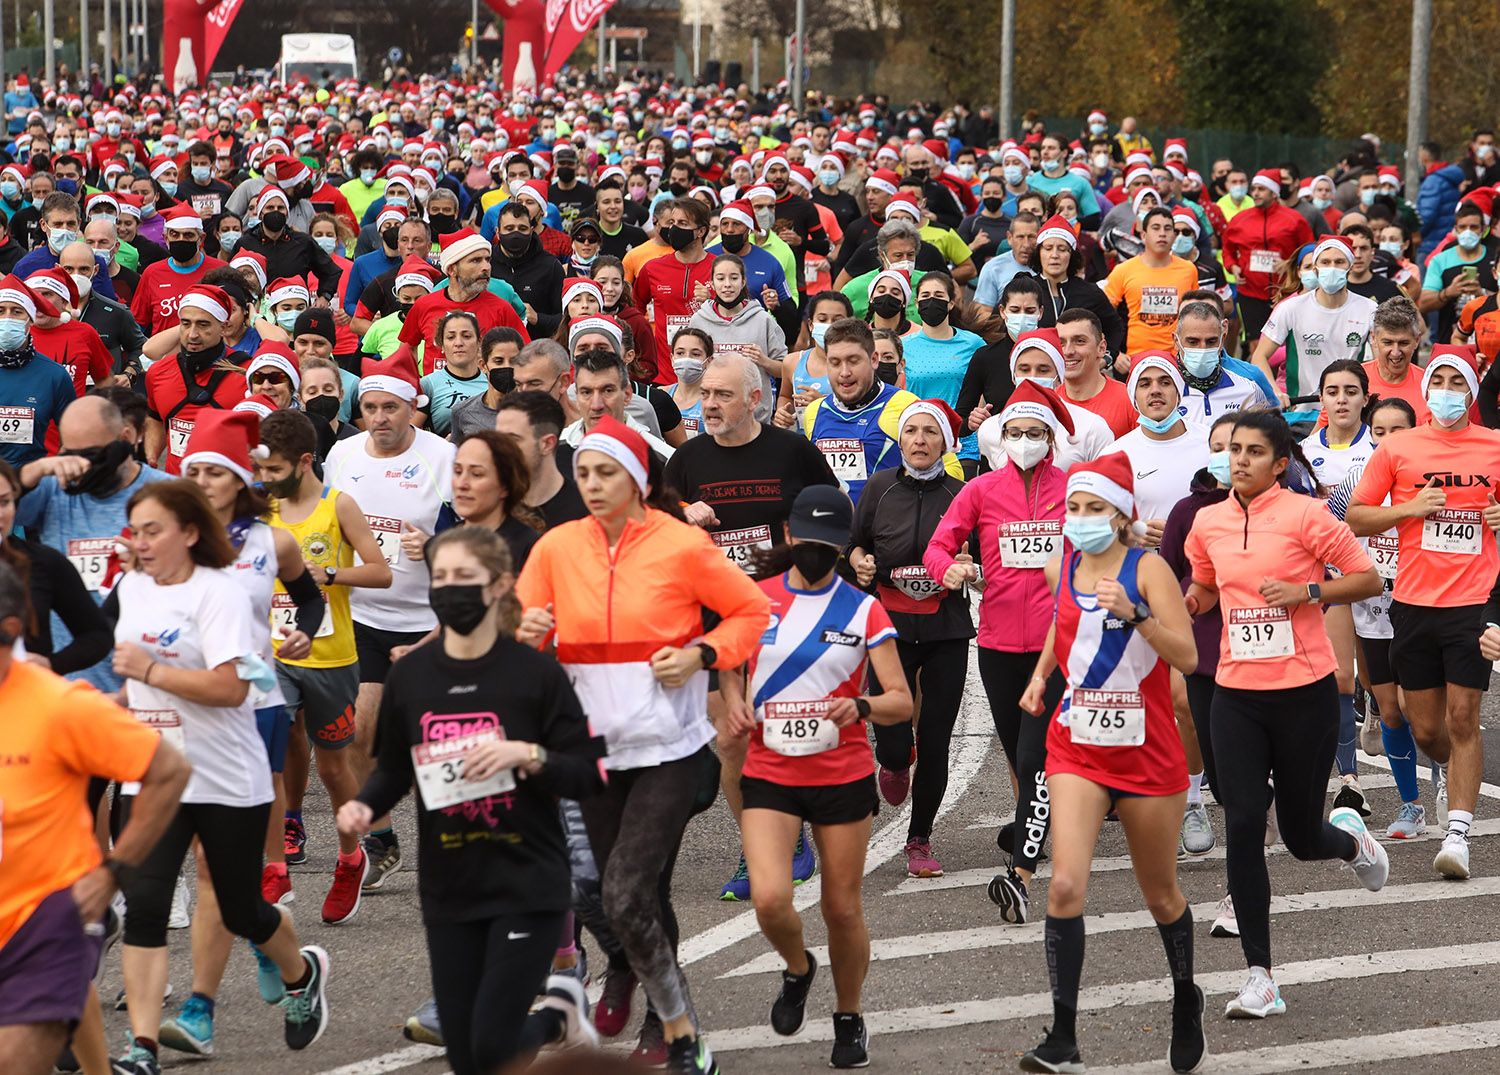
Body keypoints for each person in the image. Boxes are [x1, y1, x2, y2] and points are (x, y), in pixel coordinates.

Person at [515, 414, 768, 1073]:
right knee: (620, 895)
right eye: (584, 473)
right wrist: (529, 630)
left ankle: (681, 1031)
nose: (592, 484)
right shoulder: (556, 547)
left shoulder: (680, 545)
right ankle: (642, 981)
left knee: (628, 891)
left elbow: (750, 611)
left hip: (668, 750)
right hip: (591, 752)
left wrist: (702, 654)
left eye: (606, 472)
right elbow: (520, 644)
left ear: (637, 479)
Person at [338, 527, 605, 1075]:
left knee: (492, 1043)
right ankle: (559, 1017)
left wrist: (526, 753)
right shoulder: (412, 675)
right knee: (466, 1057)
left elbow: (587, 772)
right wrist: (365, 807)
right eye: (441, 579)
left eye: (465, 578)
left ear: (500, 584)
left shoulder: (535, 675)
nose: (450, 589)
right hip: (450, 885)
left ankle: (555, 1016)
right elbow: (393, 768)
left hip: (527, 879)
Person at [109, 479, 332, 1072]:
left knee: (239, 910)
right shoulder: (129, 586)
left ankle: (301, 971)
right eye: (136, 531)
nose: (142, 542)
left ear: (188, 532)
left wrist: (151, 672)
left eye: (154, 530)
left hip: (225, 775)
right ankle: (143, 1046)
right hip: (152, 774)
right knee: (147, 904)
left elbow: (232, 688)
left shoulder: (221, 593)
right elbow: (105, 661)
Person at [1184, 409, 1386, 1018]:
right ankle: (1260, 976)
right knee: (1243, 820)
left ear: (1279, 463)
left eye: (1252, 452)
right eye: (1232, 450)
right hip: (1236, 694)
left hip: (1304, 694)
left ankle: (1351, 843)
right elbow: (1207, 587)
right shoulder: (1206, 521)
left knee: (1300, 838)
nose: (1238, 460)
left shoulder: (1306, 515)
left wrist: (1308, 593)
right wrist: (1183, 600)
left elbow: (1368, 579)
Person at [1015, 452, 1204, 1075]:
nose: (1081, 518)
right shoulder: (1058, 565)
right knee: (1065, 884)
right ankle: (1063, 1036)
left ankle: (1185, 1000)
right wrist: (1042, 676)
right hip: (1077, 745)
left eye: (1095, 508)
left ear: (1122, 515)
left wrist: (1138, 615)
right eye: (1073, 507)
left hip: (1147, 751)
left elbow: (1187, 657)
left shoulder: (1148, 570)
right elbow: (1062, 629)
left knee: (1161, 895)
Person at [719, 486, 911, 1069]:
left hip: (842, 771)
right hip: (770, 770)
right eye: (807, 541)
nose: (815, 552)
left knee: (841, 908)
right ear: (788, 536)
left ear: (843, 548)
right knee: (771, 898)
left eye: (829, 546)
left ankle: (849, 1017)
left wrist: (864, 708)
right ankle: (799, 968)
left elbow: (901, 700)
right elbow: (729, 665)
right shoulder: (754, 599)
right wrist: (733, 703)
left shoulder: (863, 609)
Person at [0, 557, 191, 1075]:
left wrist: (114, 871)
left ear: (10, 629)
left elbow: (168, 770)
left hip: (41, 925)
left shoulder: (62, 706)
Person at [665, 350, 838, 899]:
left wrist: (804, 551)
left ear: (755, 400)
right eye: (706, 395)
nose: (709, 405)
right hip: (716, 618)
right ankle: (764, 846)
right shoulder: (686, 461)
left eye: (722, 395)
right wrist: (681, 517)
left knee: (782, 729)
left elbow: (832, 514)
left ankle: (795, 827)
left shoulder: (792, 452)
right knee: (733, 739)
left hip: (785, 612)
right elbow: (657, 539)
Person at [1347, 347, 1500, 881]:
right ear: (1427, 387)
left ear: (1473, 392)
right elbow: (1357, 517)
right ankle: (1448, 773)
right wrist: (1408, 509)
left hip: (1472, 603)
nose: (1448, 392)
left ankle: (1458, 833)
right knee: (1426, 729)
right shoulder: (1400, 448)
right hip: (1411, 605)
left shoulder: (1495, 447)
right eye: (1440, 381)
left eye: (1459, 383)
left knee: (1463, 718)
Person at [925, 381, 1072, 923]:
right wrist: (952, 570)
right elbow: (937, 547)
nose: (1026, 441)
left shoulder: (1072, 487)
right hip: (998, 644)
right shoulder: (981, 491)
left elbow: (1104, 538)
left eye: (1035, 433)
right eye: (1016, 433)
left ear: (1051, 440)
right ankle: (1033, 821)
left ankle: (1020, 874)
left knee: (1035, 757)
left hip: (1058, 648)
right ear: (1001, 438)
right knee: (1019, 755)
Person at [323, 352, 458, 890]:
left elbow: (479, 532)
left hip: (431, 617)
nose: (378, 418)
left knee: (437, 738)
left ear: (414, 409)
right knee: (356, 728)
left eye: (390, 408)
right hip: (363, 614)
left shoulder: (444, 458)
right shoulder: (341, 455)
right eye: (370, 408)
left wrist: (436, 546)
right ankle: (380, 841)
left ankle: (451, 840)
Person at [850, 400, 972, 876]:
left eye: (930, 433)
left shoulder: (963, 493)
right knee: (895, 740)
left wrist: (968, 567)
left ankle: (919, 838)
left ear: (946, 443)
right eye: (912, 432)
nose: (920, 440)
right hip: (889, 632)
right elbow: (854, 545)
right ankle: (895, 760)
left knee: (937, 738)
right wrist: (859, 560)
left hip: (946, 631)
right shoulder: (879, 489)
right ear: (900, 441)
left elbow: (982, 560)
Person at [16, 393, 170, 691]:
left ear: (125, 437)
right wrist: (34, 471)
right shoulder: (54, 489)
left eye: (92, 454)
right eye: (71, 454)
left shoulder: (168, 494)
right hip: (69, 681)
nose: (81, 467)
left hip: (148, 682)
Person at [1325, 397, 1428, 839]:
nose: (1388, 440)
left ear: (1415, 430)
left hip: (1423, 609)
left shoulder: (1431, 480)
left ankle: (1443, 779)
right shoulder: (1356, 480)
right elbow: (1328, 530)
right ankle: (1411, 806)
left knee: (1418, 710)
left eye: (1398, 431)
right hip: (1373, 613)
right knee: (1389, 711)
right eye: (1379, 432)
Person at [802, 318, 961, 504]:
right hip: (832, 527)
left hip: (887, 529)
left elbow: (951, 470)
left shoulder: (905, 405)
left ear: (874, 359)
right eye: (835, 363)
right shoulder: (814, 411)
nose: (844, 372)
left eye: (853, 361)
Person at [1252, 236, 1376, 413]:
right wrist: (1275, 391)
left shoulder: (1370, 309)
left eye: (1339, 262)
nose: (1332, 268)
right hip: (1303, 412)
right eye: (1325, 262)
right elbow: (1259, 357)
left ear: (1349, 266)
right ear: (1316, 268)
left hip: (1350, 412)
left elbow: (1380, 363)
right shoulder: (1290, 308)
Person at [973, 327, 1114, 472]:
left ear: (1059, 377)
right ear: (1013, 376)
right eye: (1024, 369)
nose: (1032, 377)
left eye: (1043, 370)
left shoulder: (1092, 428)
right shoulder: (990, 429)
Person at [141, 284, 249, 474]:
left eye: (203, 324)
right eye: (186, 323)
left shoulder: (247, 373)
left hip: (227, 495)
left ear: (223, 327)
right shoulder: (158, 373)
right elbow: (155, 418)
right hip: (177, 491)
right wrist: (151, 458)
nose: (192, 334)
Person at [1108, 354, 1210, 544]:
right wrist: (1131, 533)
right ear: (1133, 396)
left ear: (1179, 391)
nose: (1155, 390)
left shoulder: (1212, 443)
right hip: (1142, 569)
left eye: (1165, 382)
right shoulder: (1113, 455)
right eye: (1145, 384)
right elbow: (1099, 523)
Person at [686, 253, 786, 421]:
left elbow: (785, 370)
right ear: (712, 283)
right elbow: (690, 370)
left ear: (743, 281)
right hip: (711, 417)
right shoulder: (699, 320)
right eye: (720, 278)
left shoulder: (763, 319)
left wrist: (763, 361)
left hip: (755, 419)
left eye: (733, 278)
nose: (727, 285)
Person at [1222, 169, 1315, 348]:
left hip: (1286, 291)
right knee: (1256, 344)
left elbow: (1310, 250)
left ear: (1274, 192)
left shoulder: (1294, 220)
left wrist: (1289, 264)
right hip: (1250, 292)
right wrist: (1232, 266)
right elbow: (1227, 248)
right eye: (1254, 188)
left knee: (1285, 343)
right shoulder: (1240, 220)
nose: (1255, 193)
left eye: (1261, 189)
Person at [1102, 207, 1199, 360]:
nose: (1162, 233)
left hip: (1178, 359)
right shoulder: (1123, 270)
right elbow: (1101, 316)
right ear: (1143, 235)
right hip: (1134, 358)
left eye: (1168, 229)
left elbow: (1195, 315)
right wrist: (1114, 354)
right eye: (1156, 228)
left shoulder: (1188, 269)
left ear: (1174, 236)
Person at [0, 273, 76, 468]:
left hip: (30, 485)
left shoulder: (54, 376)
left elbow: (74, 437)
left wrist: (53, 473)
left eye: (17, 312)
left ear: (31, 320)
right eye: (0, 311)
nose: (7, 318)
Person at [1174, 296, 1278, 431]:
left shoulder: (1249, 388)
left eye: (1211, 341)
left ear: (1223, 338)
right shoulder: (1161, 389)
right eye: (1193, 342)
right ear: (1176, 341)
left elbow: (1272, 433)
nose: (1203, 349)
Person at [634, 198, 717, 363]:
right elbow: (635, 307)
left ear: (701, 231)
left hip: (709, 373)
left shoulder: (720, 269)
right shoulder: (653, 268)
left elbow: (734, 315)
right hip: (664, 372)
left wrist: (713, 301)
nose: (674, 228)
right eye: (672, 222)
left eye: (683, 223)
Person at [1029, 214, 1125, 353]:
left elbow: (1115, 328)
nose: (1054, 255)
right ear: (1039, 252)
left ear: (1072, 254)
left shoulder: (1090, 293)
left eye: (1062, 249)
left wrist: (1107, 357)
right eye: (1048, 248)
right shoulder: (1024, 289)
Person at [494, 390, 589, 528]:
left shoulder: (585, 513)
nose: (500, 448)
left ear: (547, 444)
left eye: (512, 439)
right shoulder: (491, 506)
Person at [129, 204, 228, 336]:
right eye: (175, 235)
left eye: (188, 235)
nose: (181, 240)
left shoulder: (221, 270)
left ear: (201, 238)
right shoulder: (152, 273)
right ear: (166, 238)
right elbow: (137, 324)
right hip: (164, 355)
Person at [1419, 200, 1495, 343]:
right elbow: (1423, 304)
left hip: (1490, 342)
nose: (1468, 232)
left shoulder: (1495, 260)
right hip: (1448, 342)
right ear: (1456, 229)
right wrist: (1448, 292)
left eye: (1473, 227)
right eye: (1463, 227)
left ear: (1483, 229)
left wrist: (1482, 294)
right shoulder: (1440, 260)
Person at [775, 290, 853, 428]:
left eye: (837, 320)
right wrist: (782, 412)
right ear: (811, 325)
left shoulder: (856, 366)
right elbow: (785, 396)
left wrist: (823, 404)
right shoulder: (792, 362)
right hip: (801, 444)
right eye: (822, 320)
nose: (829, 325)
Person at [1055, 308, 1135, 438]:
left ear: (1102, 348)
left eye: (1079, 341)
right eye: (1061, 343)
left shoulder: (1130, 400)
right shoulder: (1049, 402)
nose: (1068, 351)